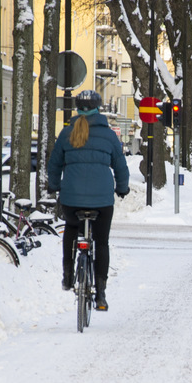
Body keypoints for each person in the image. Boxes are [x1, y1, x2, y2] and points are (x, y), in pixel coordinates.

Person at [47, 90, 130, 311]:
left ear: (77, 108)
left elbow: (54, 164)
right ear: (99, 107)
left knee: (72, 229)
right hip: (102, 200)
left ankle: (67, 275)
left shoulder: (66, 133)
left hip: (71, 198)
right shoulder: (109, 135)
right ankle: (100, 294)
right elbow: (120, 166)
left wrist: (54, 185)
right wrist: (122, 188)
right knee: (101, 242)